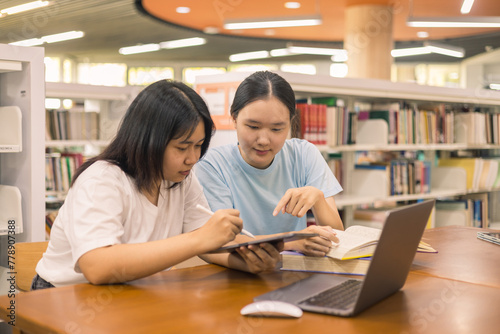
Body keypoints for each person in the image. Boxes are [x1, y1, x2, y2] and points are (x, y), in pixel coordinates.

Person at [33, 80, 281, 290]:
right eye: (182, 147)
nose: (193, 158)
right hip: (65, 296)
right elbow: (97, 267)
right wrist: (199, 239)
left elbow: (207, 245)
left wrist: (246, 262)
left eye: (198, 145)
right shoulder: (102, 180)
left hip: (127, 293)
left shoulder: (180, 178)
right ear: (148, 141)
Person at [196, 71, 344, 258]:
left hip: (297, 274)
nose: (264, 140)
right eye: (253, 127)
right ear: (234, 118)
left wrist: (318, 198)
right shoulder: (212, 165)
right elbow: (222, 241)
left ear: (290, 124)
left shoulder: (304, 154)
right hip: (239, 274)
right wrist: (291, 241)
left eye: (276, 129)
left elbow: (339, 236)